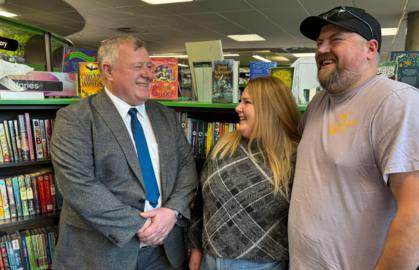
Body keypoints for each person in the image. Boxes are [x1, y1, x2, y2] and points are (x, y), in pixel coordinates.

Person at [288, 6, 419, 270]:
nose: (321, 50)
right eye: (319, 42)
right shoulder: (319, 103)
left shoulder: (398, 103)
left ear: (370, 49)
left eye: (335, 40)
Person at [50, 36, 197, 270]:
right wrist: (140, 227)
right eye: (138, 66)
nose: (149, 74)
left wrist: (172, 212)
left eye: (149, 66)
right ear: (108, 71)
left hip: (164, 253)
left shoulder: (166, 116)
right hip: (101, 255)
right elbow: (78, 186)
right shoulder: (75, 119)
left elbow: (186, 169)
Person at [188, 76, 301, 270]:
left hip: (264, 264)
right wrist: (196, 248)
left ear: (270, 108)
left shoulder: (294, 155)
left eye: (247, 102)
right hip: (210, 260)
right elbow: (201, 203)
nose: (238, 108)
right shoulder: (223, 146)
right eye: (241, 101)